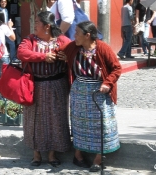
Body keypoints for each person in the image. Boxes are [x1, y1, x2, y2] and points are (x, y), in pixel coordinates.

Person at [59, 21, 121, 172]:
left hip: (99, 91)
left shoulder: (103, 48)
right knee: (80, 124)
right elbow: (58, 50)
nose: (74, 36)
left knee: (101, 124)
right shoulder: (74, 47)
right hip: (79, 91)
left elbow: (116, 68)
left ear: (87, 35)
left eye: (77, 33)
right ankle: (78, 155)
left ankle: (98, 158)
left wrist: (108, 83)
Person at [17, 11, 71, 167]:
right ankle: (36, 154)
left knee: (56, 119)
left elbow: (75, 53)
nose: (34, 25)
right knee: (34, 120)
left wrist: (67, 58)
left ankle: (53, 154)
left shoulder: (62, 40)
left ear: (47, 26)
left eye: (37, 22)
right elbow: (22, 53)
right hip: (35, 86)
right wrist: (43, 57)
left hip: (57, 85)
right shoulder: (30, 40)